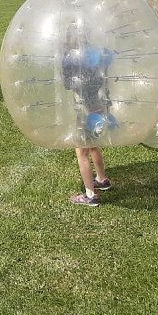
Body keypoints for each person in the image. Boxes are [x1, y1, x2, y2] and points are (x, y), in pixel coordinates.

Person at [60, 22, 114, 207]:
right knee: (93, 145)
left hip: (85, 110)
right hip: (100, 107)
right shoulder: (95, 54)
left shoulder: (71, 58)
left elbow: (68, 84)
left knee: (81, 152)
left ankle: (90, 195)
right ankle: (102, 179)